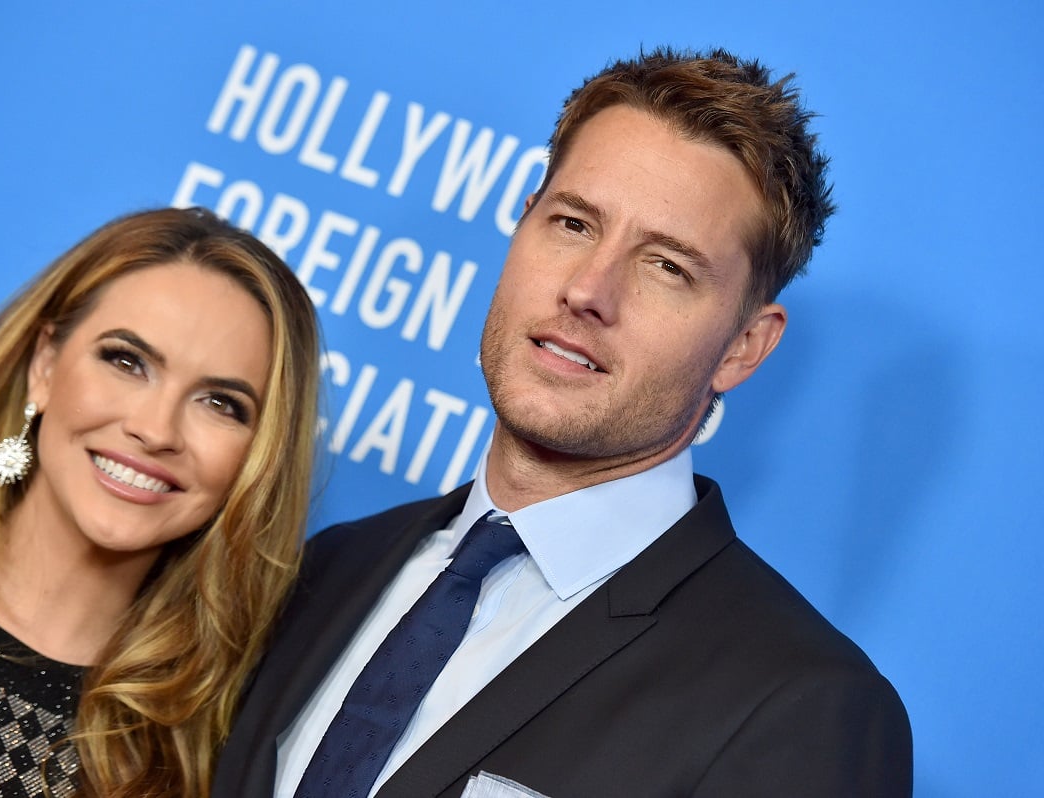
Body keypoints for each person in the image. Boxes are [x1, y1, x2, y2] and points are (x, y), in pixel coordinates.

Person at [211, 47, 913, 798]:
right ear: (522, 225)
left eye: (667, 266)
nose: (588, 290)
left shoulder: (803, 707)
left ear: (744, 346)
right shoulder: (328, 570)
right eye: (574, 223)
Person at [0, 207, 320, 797]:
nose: (156, 429)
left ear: (259, 454)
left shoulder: (207, 754)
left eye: (221, 403)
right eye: (127, 361)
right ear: (45, 365)